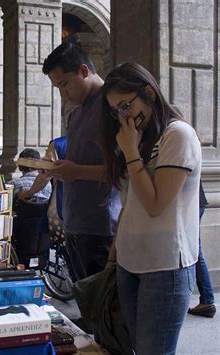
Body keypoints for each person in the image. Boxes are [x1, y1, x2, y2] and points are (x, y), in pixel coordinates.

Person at [99, 62, 201, 355]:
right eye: (116, 110)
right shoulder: (141, 140)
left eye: (126, 105)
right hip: (129, 261)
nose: (124, 116)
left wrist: (130, 152)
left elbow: (156, 205)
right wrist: (113, 258)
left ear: (149, 93)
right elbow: (129, 204)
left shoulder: (177, 135)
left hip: (165, 266)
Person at [41, 42, 121, 282]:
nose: (62, 93)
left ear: (84, 71)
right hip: (74, 223)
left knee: (103, 311)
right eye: (57, 87)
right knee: (86, 306)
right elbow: (77, 164)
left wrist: (76, 172)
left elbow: (124, 171)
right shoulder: (76, 113)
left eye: (64, 84)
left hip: (100, 227)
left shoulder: (112, 106)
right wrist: (59, 170)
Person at [188, 182, 216, 318]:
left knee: (195, 252)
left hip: (191, 204)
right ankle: (207, 299)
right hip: (195, 202)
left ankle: (207, 300)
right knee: (195, 251)